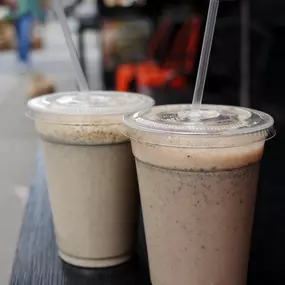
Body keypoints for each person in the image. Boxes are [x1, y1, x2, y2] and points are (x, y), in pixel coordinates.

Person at [4, 0, 46, 72]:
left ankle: (24, 59)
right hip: (14, 12)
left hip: (27, 11)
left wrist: (40, 15)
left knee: (24, 36)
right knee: (19, 36)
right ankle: (21, 58)